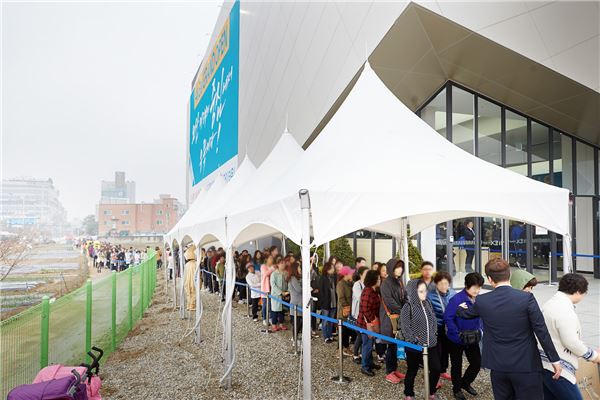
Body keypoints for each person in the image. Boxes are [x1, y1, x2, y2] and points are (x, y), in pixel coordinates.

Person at [456, 258, 561, 399]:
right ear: (509, 275)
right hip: (526, 364)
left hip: (498, 366)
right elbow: (541, 331)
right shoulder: (526, 299)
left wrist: (459, 309)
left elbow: (465, 314)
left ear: (490, 279)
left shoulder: (482, 301)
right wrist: (554, 360)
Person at [541, 273, 600, 399]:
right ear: (579, 292)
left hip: (544, 362)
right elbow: (571, 341)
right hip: (559, 369)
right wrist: (594, 356)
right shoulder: (564, 309)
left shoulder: (550, 303)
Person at [444, 272, 484, 400]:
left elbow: (482, 318)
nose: (478, 290)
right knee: (457, 365)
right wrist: (457, 334)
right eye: (475, 287)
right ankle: (456, 390)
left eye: (479, 287)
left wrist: (480, 331)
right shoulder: (456, 299)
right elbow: (448, 318)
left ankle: (465, 383)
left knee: (477, 363)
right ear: (467, 285)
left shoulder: (479, 299)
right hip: (456, 339)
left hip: (472, 337)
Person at [401, 280, 441, 400]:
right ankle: (408, 393)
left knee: (436, 368)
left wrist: (434, 333)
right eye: (421, 291)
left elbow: (433, 319)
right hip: (415, 346)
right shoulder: (407, 307)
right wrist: (414, 340)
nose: (424, 293)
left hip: (431, 344)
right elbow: (405, 326)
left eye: (425, 290)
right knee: (412, 370)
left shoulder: (427, 303)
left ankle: (431, 391)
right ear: (413, 292)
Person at [379, 258, 408, 384]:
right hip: (389, 317)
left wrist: (407, 306)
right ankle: (389, 372)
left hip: (398, 316)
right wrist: (403, 310)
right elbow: (389, 301)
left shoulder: (399, 281)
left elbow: (404, 296)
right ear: (391, 269)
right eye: (397, 267)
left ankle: (394, 369)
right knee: (391, 345)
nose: (400, 270)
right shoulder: (386, 283)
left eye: (401, 267)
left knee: (395, 344)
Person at [427, 271, 455, 383]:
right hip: (436, 329)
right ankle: (434, 375)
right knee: (436, 353)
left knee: (445, 351)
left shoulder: (453, 293)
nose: (443, 286)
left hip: (448, 329)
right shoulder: (430, 295)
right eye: (440, 284)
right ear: (436, 284)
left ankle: (443, 371)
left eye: (446, 283)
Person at [357, 270, 382, 377]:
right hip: (366, 324)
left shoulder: (373, 290)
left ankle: (370, 363)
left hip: (370, 322)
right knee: (367, 345)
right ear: (373, 280)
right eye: (378, 279)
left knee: (370, 343)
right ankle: (365, 366)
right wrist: (373, 319)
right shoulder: (367, 292)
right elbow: (365, 309)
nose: (380, 280)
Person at [351, 266, 370, 364]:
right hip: (357, 314)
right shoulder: (357, 284)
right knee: (360, 335)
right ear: (361, 274)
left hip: (365, 314)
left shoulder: (367, 284)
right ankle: (355, 355)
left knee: (364, 336)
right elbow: (359, 297)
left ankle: (363, 354)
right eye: (366, 273)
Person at [336, 266, 355, 357]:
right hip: (343, 312)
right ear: (346, 274)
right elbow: (341, 298)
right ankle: (339, 350)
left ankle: (346, 348)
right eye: (351, 273)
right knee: (342, 331)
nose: (352, 274)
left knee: (347, 331)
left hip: (349, 311)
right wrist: (347, 308)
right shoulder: (340, 284)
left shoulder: (349, 283)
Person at [318, 262, 337, 343]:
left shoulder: (333, 278)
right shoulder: (322, 278)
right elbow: (321, 292)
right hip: (326, 304)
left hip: (334, 302)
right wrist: (322, 303)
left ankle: (330, 335)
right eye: (332, 268)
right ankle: (326, 337)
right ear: (327, 269)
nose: (333, 269)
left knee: (331, 321)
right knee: (325, 321)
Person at [270, 257, 288, 331]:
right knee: (275, 310)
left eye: (284, 263)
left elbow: (287, 283)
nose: (283, 265)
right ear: (278, 264)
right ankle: (274, 324)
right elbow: (273, 285)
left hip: (284, 295)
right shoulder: (274, 274)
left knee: (282, 311)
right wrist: (281, 292)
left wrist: (286, 292)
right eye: (281, 263)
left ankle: (281, 324)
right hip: (275, 295)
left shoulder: (286, 273)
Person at [260, 255, 276, 325]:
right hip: (265, 288)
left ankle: (270, 318)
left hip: (272, 288)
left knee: (271, 304)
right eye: (270, 258)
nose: (271, 260)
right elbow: (266, 274)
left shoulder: (273, 266)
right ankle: (264, 318)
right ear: (266, 259)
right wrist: (272, 268)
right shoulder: (263, 266)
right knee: (265, 304)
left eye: (272, 259)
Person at [288, 262, 302, 336]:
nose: (300, 269)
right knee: (297, 323)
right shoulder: (293, 278)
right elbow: (299, 290)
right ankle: (294, 339)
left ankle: (296, 339)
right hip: (296, 304)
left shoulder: (297, 278)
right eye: (299, 267)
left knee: (299, 323)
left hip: (299, 304)